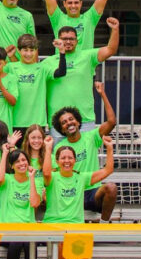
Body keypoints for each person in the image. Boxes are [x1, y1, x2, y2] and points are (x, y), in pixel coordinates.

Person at [43, 136, 115, 259]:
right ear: (57, 161)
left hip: (76, 224)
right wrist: (48, 148)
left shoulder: (81, 177)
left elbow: (107, 170)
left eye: (70, 158)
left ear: (75, 160)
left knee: (84, 238)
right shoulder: (52, 177)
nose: (67, 161)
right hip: (54, 224)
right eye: (63, 158)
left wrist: (109, 148)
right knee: (61, 240)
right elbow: (46, 171)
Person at [50, 81, 118, 222]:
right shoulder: (59, 148)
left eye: (71, 119)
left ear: (78, 122)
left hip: (93, 191)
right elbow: (54, 174)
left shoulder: (91, 137)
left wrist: (102, 94)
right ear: (61, 129)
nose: (69, 123)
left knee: (111, 188)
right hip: (72, 192)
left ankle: (103, 225)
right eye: (64, 122)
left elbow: (111, 122)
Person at [45, 17, 120, 139]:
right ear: (58, 40)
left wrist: (115, 30)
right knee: (60, 153)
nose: (68, 42)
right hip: (58, 122)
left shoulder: (88, 56)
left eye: (71, 39)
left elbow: (110, 50)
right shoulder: (47, 62)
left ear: (77, 41)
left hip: (84, 120)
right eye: (64, 39)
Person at [0, 144, 42, 259]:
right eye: (17, 161)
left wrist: (32, 178)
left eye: (24, 160)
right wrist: (5, 153)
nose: (21, 163)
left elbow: (34, 203)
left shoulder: (35, 181)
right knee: (16, 240)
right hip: (6, 229)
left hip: (27, 229)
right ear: (12, 166)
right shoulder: (7, 180)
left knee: (29, 242)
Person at [7, 34, 66, 137]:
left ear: (36, 51)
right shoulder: (10, 67)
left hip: (38, 122)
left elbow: (61, 72)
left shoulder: (42, 68)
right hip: (15, 122)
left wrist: (62, 52)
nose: (29, 54)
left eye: (32, 50)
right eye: (25, 50)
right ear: (18, 50)